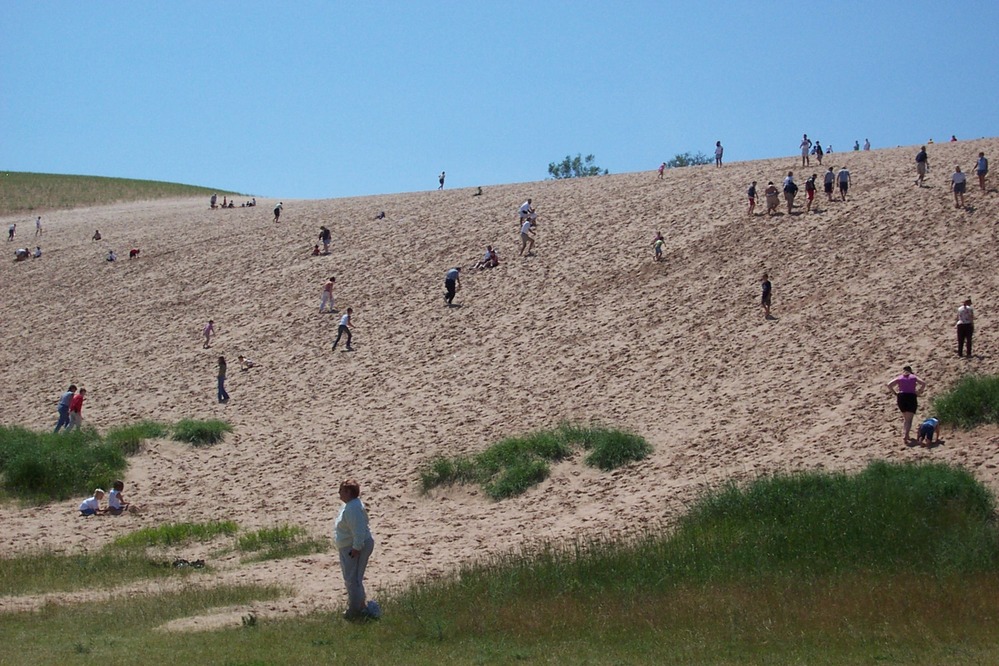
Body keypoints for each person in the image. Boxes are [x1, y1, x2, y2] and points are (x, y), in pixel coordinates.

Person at [334, 479, 376, 620]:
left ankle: (355, 610)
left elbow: (358, 530)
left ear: (349, 492)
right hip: (351, 546)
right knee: (355, 579)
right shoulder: (351, 506)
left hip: (353, 547)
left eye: (342, 490)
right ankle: (361, 607)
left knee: (352, 580)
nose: (339, 493)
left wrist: (356, 548)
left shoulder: (352, 508)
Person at [887, 366, 926, 445]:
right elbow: (923, 383)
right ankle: (905, 435)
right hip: (911, 397)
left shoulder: (900, 378)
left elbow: (889, 384)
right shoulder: (913, 377)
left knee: (905, 418)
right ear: (910, 371)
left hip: (901, 397)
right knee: (909, 419)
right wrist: (919, 392)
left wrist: (895, 393)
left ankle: (906, 434)